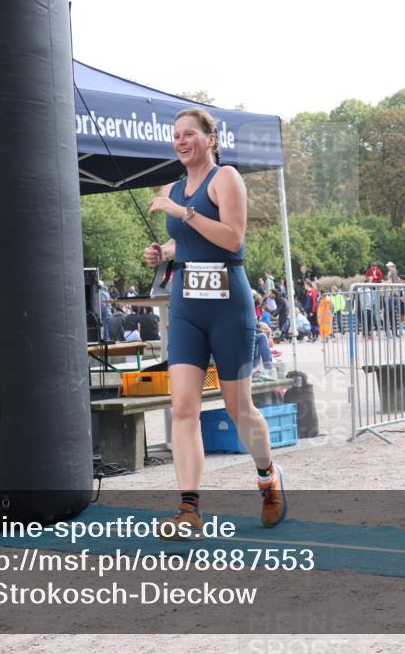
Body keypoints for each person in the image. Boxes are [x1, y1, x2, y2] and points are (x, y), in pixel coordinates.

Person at [142, 107, 286, 538]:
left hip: (228, 304)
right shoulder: (174, 186)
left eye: (189, 134)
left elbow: (232, 237)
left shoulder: (226, 179)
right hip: (186, 303)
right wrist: (163, 253)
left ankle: (268, 478)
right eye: (176, 136)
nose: (181, 141)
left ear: (210, 138)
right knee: (183, 407)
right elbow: (182, 240)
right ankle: (189, 509)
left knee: (239, 408)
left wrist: (182, 213)